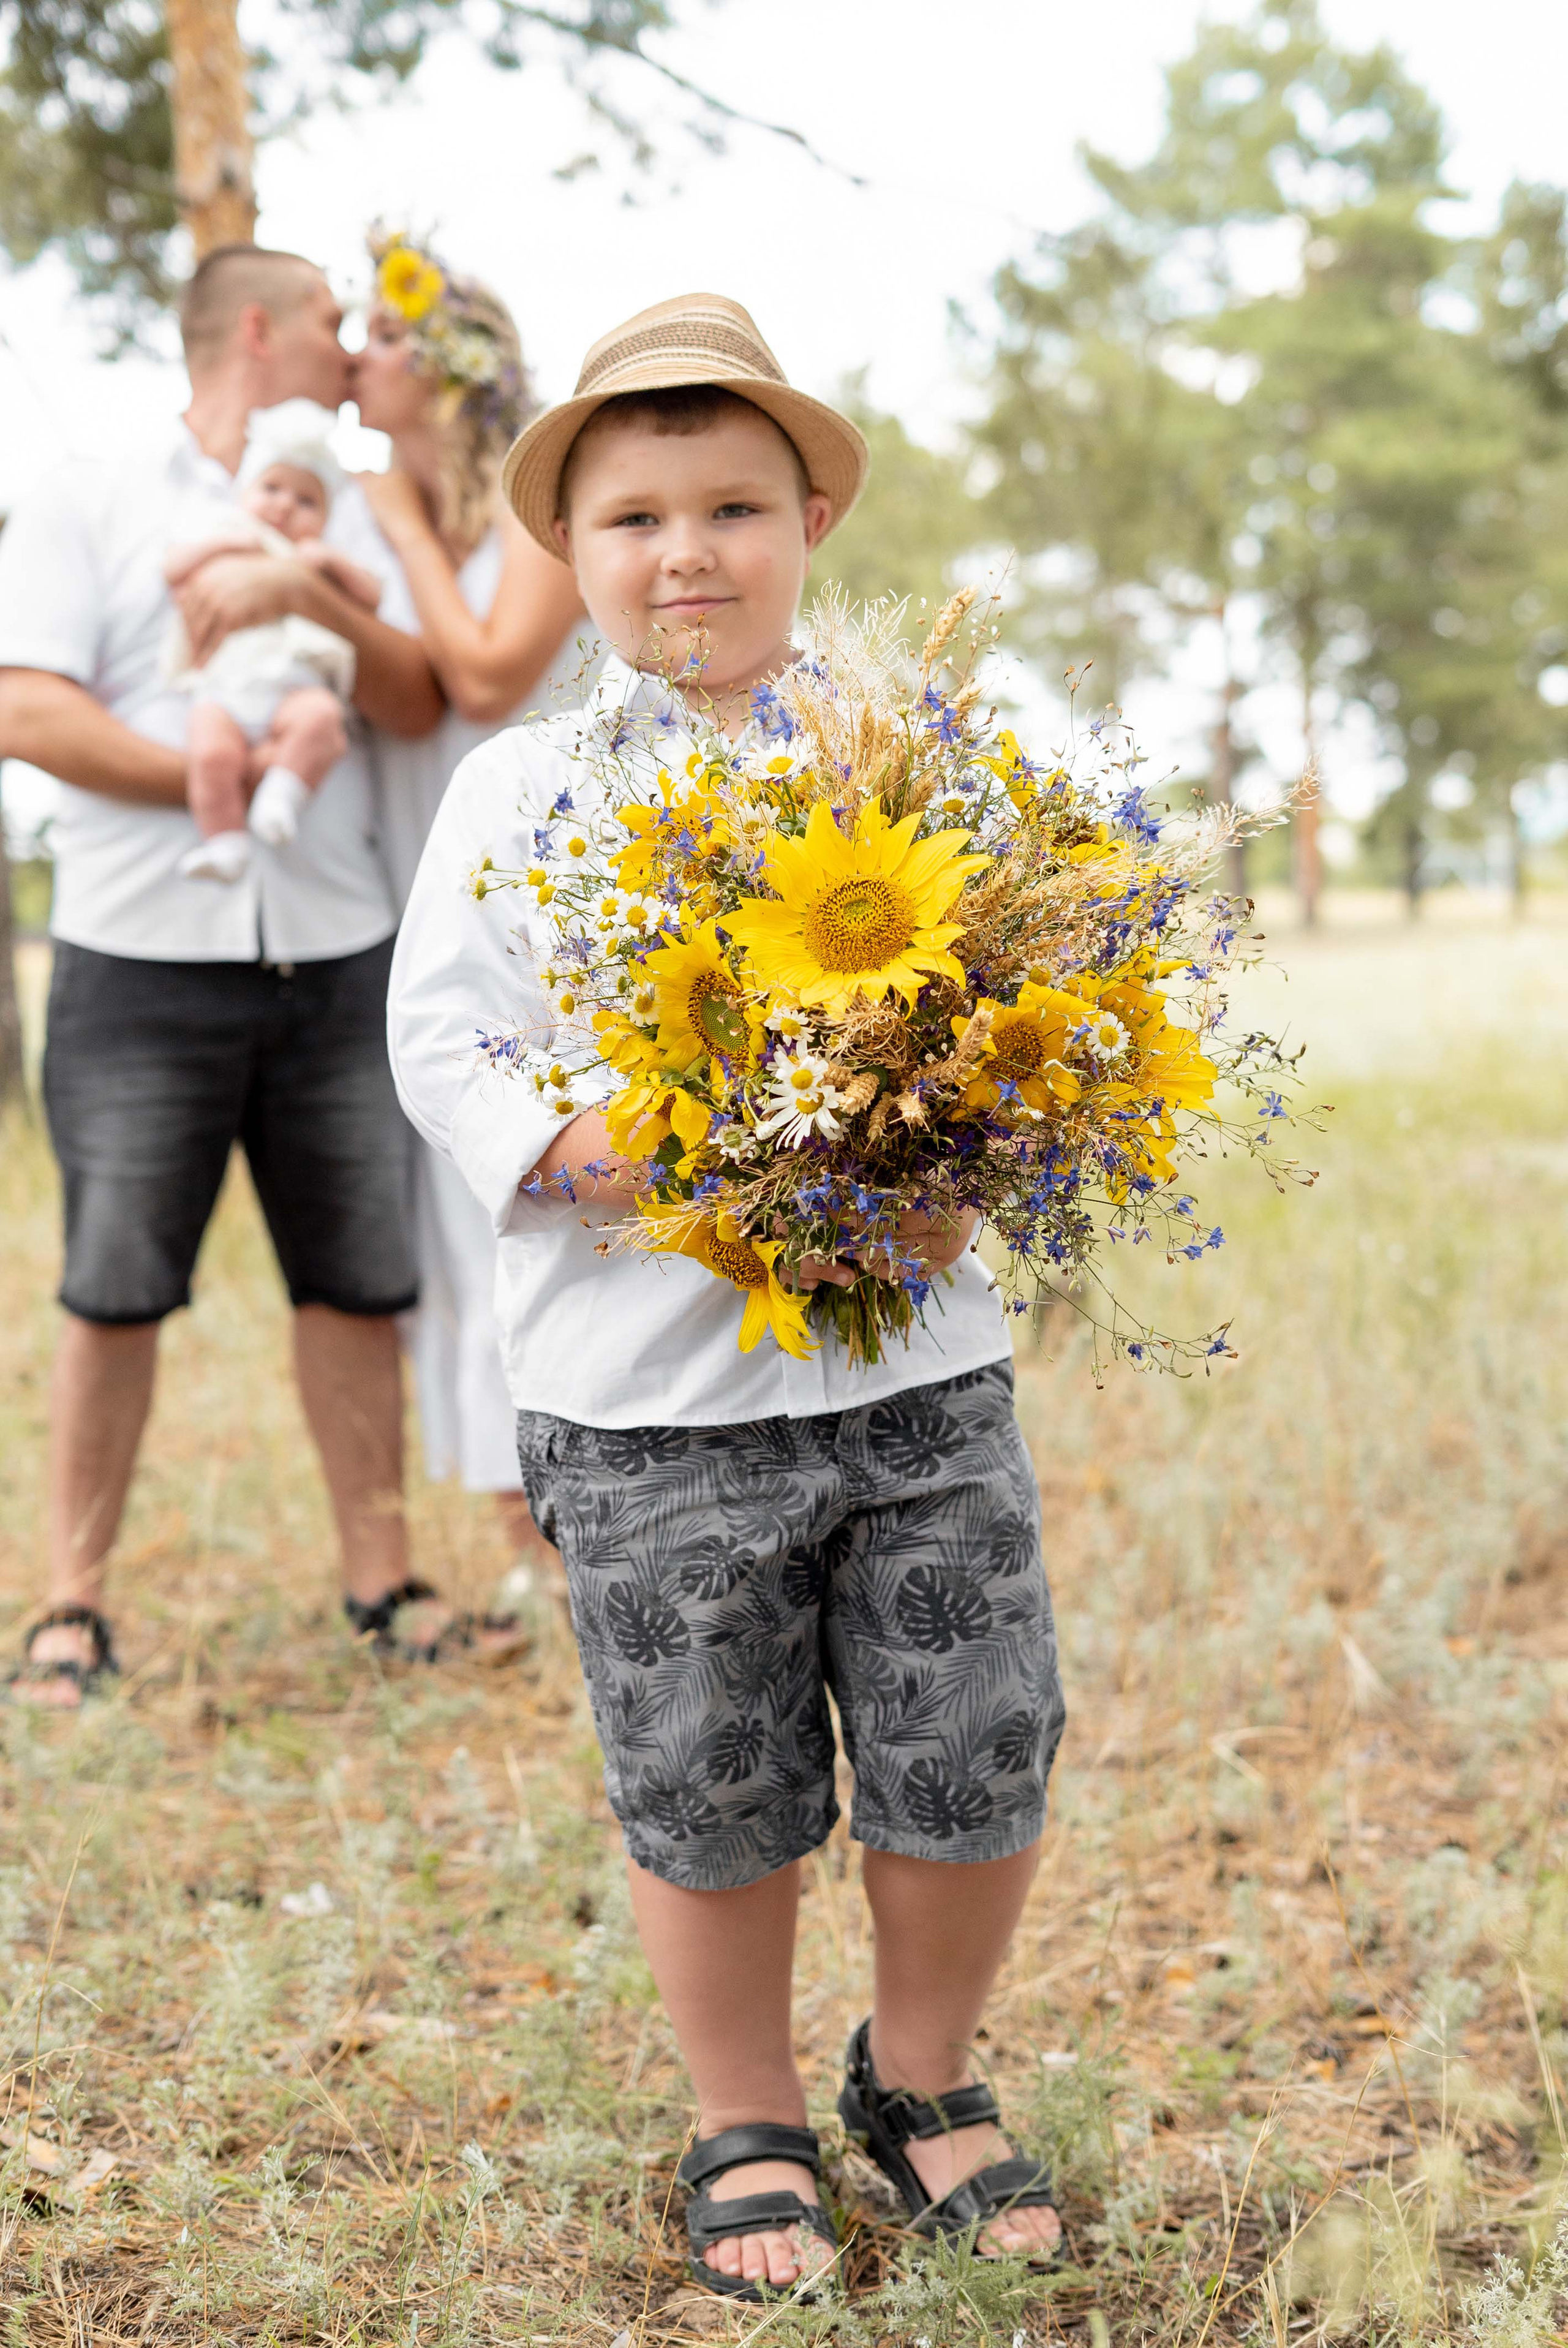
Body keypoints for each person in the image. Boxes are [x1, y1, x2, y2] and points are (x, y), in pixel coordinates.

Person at [389, 293, 1066, 2303]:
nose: (686, 551)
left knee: (976, 1728)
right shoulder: (518, 793)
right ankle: (742, 2105)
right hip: (647, 1386)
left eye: (734, 507)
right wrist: (578, 1150)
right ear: (572, 554)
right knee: (709, 1767)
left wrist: (972, 1155)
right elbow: (440, 1034)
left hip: (916, 1369)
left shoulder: (923, 750)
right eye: (633, 518)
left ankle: (922, 2073)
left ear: (810, 524)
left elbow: (1031, 1001)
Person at [0, 244, 452, 1707]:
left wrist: (304, 594)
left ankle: (382, 1582)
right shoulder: (88, 493)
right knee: (113, 1286)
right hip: (139, 958)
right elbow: (26, 710)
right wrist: (228, 774)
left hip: (336, 950)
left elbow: (409, 694)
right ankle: (70, 1604)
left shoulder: (340, 510)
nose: (352, 338)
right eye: (331, 315)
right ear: (255, 329)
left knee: (357, 1281)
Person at [348, 230, 584, 1561]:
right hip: (418, 885)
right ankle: (511, 1528)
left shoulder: (537, 499)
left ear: (449, 366)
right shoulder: (389, 515)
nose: (355, 358)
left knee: (540, 1170)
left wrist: (394, 528)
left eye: (383, 336)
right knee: (454, 1205)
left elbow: (488, 674)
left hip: (554, 887)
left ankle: (566, 1516)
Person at [164, 412, 384, 882]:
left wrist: (330, 566)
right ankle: (225, 843)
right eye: (271, 489)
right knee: (207, 751)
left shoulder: (317, 558)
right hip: (226, 686)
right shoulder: (226, 537)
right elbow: (172, 570)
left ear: (325, 518)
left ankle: (283, 794)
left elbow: (373, 596)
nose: (285, 506)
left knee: (321, 717)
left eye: (306, 500)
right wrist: (222, 545)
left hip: (293, 685)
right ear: (245, 494)